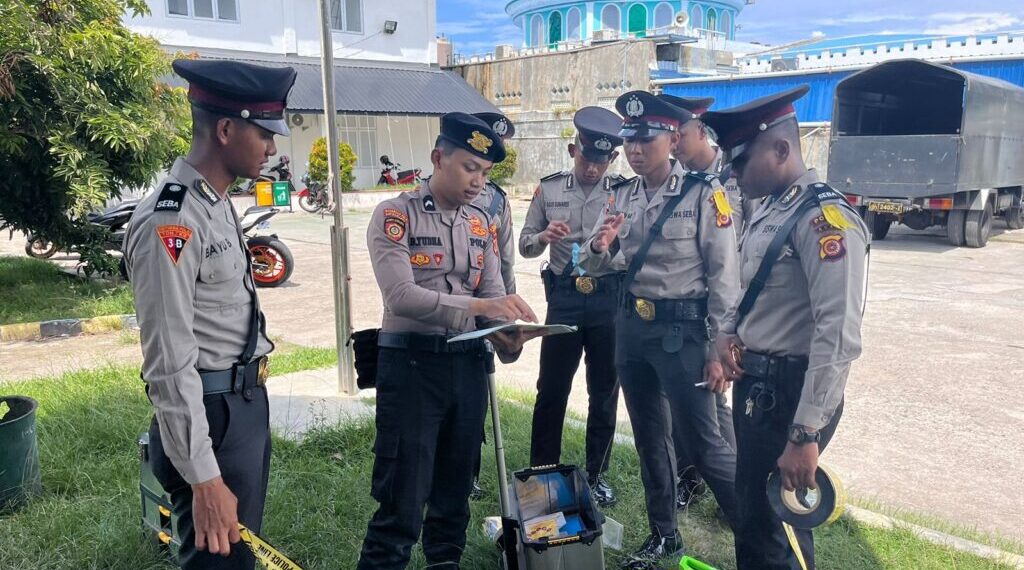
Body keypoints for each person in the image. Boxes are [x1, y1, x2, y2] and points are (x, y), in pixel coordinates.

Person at [123, 59, 296, 569]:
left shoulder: (215, 202)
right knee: (218, 560)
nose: (272, 148)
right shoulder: (171, 219)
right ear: (225, 129)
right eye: (264, 133)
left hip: (239, 405)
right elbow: (169, 363)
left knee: (239, 557)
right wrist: (204, 477)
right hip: (209, 418)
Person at [356, 112, 539, 570]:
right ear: (439, 159)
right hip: (413, 367)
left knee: (455, 495)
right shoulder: (396, 215)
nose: (478, 181)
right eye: (469, 167)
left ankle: (445, 563)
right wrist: (485, 310)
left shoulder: (481, 224)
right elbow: (402, 297)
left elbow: (494, 293)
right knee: (402, 499)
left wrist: (509, 335)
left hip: (467, 367)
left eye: (486, 172)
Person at [702, 86, 869, 570]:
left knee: (776, 530)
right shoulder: (771, 208)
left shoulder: (824, 220)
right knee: (754, 518)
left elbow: (838, 336)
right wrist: (728, 330)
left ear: (780, 149)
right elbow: (750, 286)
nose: (732, 173)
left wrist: (804, 433)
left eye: (740, 160)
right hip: (760, 387)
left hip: (791, 397)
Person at [578, 91, 740, 569]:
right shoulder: (620, 195)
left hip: (685, 337)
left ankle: (760, 536)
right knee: (650, 437)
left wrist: (717, 348)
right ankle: (664, 535)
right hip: (632, 330)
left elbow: (723, 279)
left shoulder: (702, 194)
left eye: (645, 139)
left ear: (671, 138)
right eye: (629, 140)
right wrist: (600, 246)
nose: (634, 150)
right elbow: (593, 262)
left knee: (704, 445)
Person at [519, 106, 627, 507]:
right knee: (551, 389)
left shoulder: (624, 193)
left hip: (606, 300)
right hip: (564, 297)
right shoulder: (548, 190)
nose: (593, 170)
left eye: (601, 162)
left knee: (603, 392)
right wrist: (544, 236)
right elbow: (525, 245)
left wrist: (606, 247)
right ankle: (541, 473)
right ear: (572, 149)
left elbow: (629, 252)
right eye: (586, 159)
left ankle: (596, 475)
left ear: (612, 159)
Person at [659, 94, 738, 512]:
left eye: (681, 136)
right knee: (686, 400)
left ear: (702, 131)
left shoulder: (732, 176)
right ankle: (693, 480)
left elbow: (731, 261)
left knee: (714, 400)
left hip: (721, 309)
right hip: (687, 311)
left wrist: (723, 331)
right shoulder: (678, 181)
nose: (674, 145)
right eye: (670, 137)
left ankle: (738, 492)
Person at [468, 111, 517, 500]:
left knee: (475, 396)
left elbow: (505, 260)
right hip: (445, 314)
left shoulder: (498, 199)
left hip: (485, 311)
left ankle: (468, 472)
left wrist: (508, 316)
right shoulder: (420, 197)